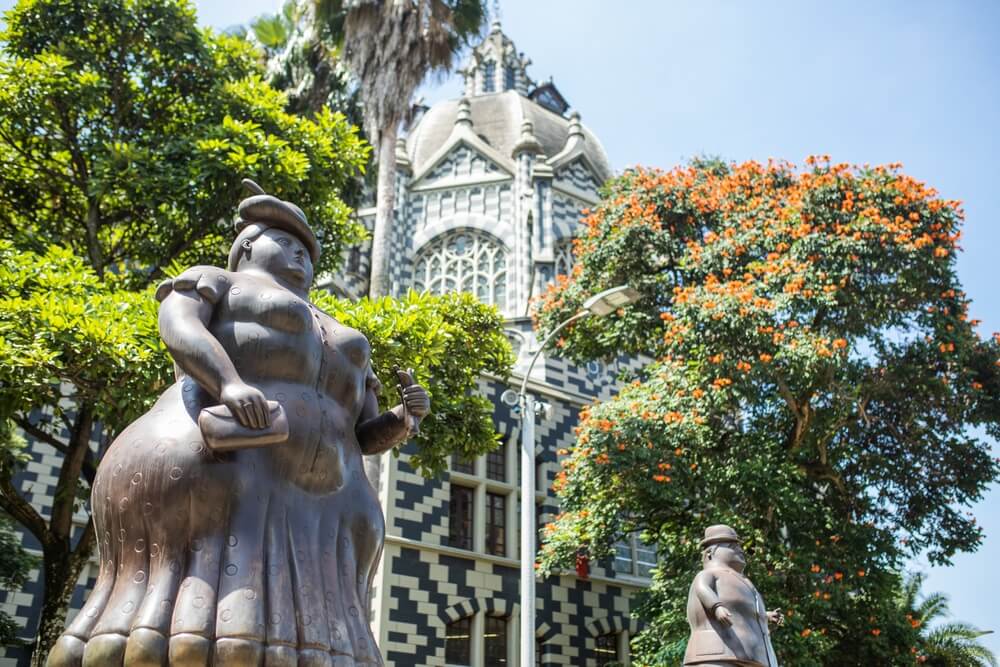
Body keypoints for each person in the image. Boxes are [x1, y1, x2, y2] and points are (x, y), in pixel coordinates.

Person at [47, 180, 429, 667]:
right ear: (247, 246)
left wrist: (403, 418)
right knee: (190, 621)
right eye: (285, 243)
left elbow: (364, 434)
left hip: (324, 502)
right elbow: (178, 324)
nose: (299, 257)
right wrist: (227, 383)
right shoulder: (218, 280)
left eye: (306, 252)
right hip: (226, 460)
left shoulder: (339, 329)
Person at [683, 525, 781, 667]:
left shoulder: (745, 582)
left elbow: (743, 611)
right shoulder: (708, 574)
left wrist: (766, 616)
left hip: (749, 656)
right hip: (716, 652)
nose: (740, 551)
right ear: (710, 553)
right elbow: (702, 589)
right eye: (732, 546)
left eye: (739, 547)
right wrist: (717, 606)